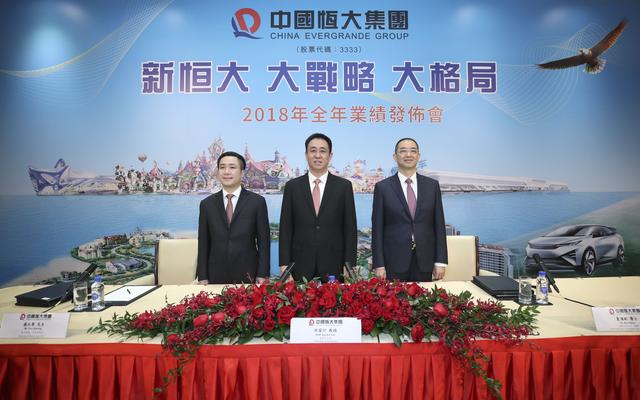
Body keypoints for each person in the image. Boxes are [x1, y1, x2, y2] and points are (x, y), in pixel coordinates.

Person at [279, 133, 357, 281]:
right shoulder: (292, 187)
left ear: (330, 156)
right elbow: (286, 227)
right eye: (313, 150)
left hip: (334, 262)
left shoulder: (343, 186)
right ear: (306, 155)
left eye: (323, 151)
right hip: (299, 263)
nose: (317, 155)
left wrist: (349, 264)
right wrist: (284, 263)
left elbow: (350, 228)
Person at [371, 138, 448, 282]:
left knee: (424, 297)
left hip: (425, 260)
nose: (408, 155)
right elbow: (377, 229)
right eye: (403, 151)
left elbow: (439, 225)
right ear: (395, 157)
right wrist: (379, 264)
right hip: (393, 261)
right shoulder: (382, 187)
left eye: (413, 151)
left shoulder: (432, 186)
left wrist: (440, 261)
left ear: (418, 156)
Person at [197, 151, 270, 284]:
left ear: (241, 173)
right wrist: (202, 276)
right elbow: (203, 243)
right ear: (217, 172)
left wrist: (262, 274)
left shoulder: (257, 202)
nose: (226, 172)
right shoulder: (206, 204)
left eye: (232, 167)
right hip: (215, 275)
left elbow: (263, 242)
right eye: (222, 167)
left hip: (249, 274)